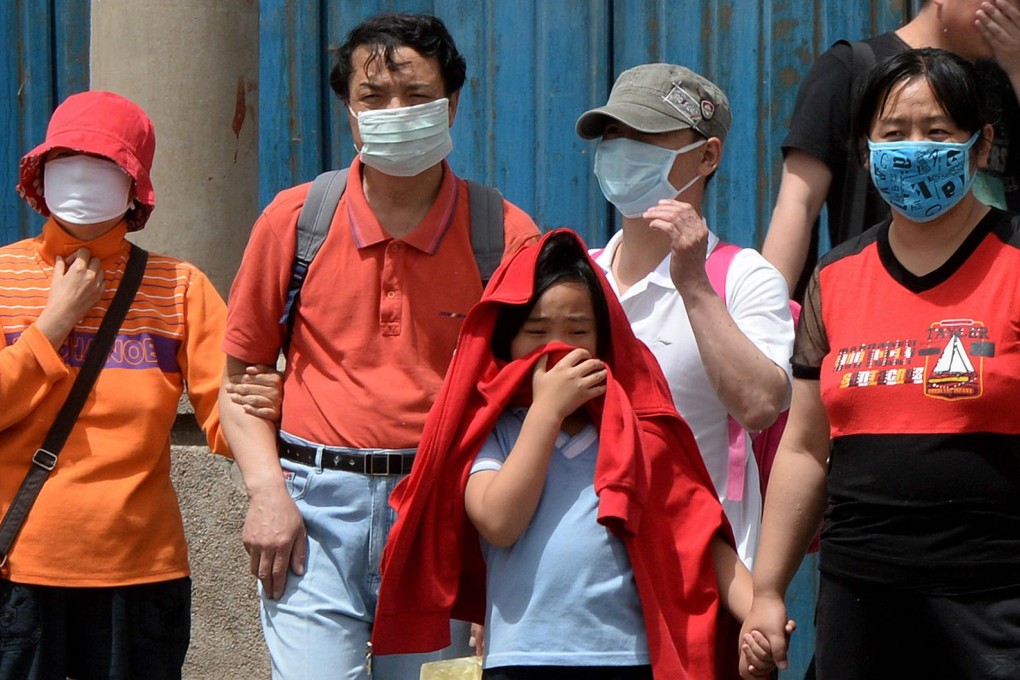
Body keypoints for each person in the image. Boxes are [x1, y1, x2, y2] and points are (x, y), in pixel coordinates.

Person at [218, 12, 540, 680]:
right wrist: (267, 493)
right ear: (350, 110)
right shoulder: (295, 221)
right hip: (311, 509)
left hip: (443, 511)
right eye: (374, 97)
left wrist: (502, 558)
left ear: (452, 104)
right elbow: (239, 382)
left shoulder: (504, 233)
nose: (396, 112)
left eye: (417, 95)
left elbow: (528, 396)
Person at [370, 230, 786, 679]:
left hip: (626, 661)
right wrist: (545, 413)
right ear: (506, 339)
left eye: (578, 331)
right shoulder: (494, 430)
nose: (559, 347)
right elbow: (499, 522)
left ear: (604, 340)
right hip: (522, 662)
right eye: (537, 331)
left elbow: (697, 539)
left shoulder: (639, 431)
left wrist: (758, 609)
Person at [740, 48, 1020, 680]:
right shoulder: (835, 277)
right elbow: (804, 449)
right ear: (866, 154)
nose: (915, 149)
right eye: (894, 133)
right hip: (859, 603)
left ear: (980, 146)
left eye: (938, 131)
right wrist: (767, 591)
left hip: (994, 604)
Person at [0, 91, 259, 680]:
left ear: (135, 182)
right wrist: (54, 323)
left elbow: (229, 417)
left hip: (140, 577)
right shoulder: (5, 275)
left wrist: (273, 408)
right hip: (19, 570)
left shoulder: (178, 286)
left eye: (104, 161)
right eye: (66, 157)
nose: (82, 174)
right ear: (41, 171)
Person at [574, 63, 795, 568]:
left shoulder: (743, 277)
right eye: (613, 135)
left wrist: (693, 284)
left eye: (645, 135)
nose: (622, 150)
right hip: (587, 577)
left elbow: (760, 405)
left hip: (697, 572)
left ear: (707, 155)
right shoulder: (578, 277)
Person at [761, 0, 1020, 299]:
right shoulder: (852, 67)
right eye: (895, 132)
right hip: (876, 296)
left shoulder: (1005, 81)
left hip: (992, 294)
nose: (1011, 8)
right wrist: (768, 310)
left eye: (937, 131)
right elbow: (798, 204)